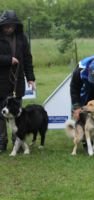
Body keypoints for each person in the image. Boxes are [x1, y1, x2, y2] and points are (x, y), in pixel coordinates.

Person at [0, 10, 36, 152]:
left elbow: (27, 58)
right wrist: (8, 60)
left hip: (17, 81)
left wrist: (31, 78)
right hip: (1, 81)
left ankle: (18, 140)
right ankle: (1, 142)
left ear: (15, 26)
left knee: (17, 112)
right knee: (1, 113)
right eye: (6, 26)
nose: (8, 28)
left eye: (11, 26)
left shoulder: (22, 38)